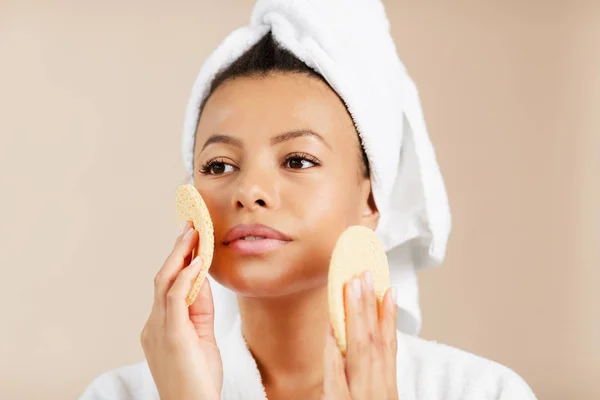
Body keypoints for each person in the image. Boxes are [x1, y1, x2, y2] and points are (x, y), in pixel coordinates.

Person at [79, 2, 537, 399]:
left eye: (297, 160)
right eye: (218, 165)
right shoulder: (117, 395)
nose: (249, 192)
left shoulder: (482, 392)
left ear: (373, 199)